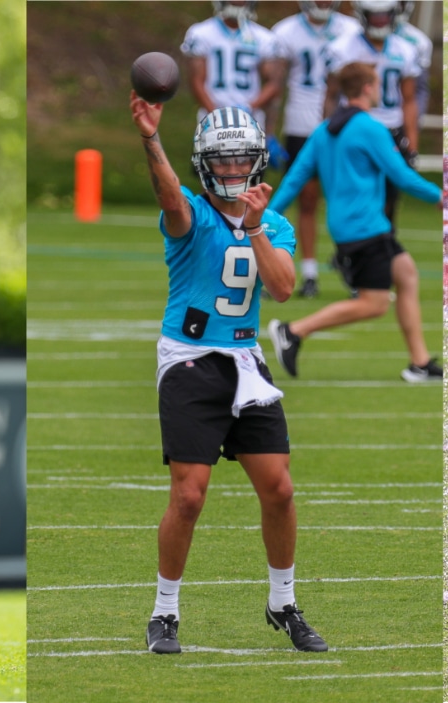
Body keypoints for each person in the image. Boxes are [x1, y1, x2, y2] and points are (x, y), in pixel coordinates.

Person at [128, 92, 328, 654]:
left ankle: (283, 603)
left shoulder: (276, 223)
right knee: (189, 495)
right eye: (223, 159)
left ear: (258, 161)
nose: (234, 169)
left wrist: (258, 228)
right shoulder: (189, 211)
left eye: (242, 158)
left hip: (245, 361)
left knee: (280, 489)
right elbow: (168, 195)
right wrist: (150, 138)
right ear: (204, 163)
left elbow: (284, 288)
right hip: (189, 359)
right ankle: (164, 612)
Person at [266, 62, 445, 383]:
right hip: (367, 229)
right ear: (366, 88)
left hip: (352, 227)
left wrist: (263, 216)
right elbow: (401, 175)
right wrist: (440, 196)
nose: (378, 90)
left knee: (406, 274)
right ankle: (292, 331)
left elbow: (293, 181)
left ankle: (419, 363)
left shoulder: (324, 130)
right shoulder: (370, 128)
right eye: (376, 84)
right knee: (374, 304)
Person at [270, 1, 361, 298]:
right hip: (300, 125)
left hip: (342, 127)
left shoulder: (352, 30)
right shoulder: (285, 32)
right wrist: (270, 132)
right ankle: (309, 274)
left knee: (346, 198)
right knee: (306, 199)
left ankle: (353, 269)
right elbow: (276, 86)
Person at [322, 0, 422, 237]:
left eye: (385, 15)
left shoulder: (405, 49)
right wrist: (329, 134)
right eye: (375, 16)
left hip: (391, 131)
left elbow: (409, 100)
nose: (380, 21)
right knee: (356, 196)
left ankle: (383, 251)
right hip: (354, 130)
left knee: (389, 202)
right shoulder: (343, 48)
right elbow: (330, 96)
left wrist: (412, 145)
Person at [181, 1, 287, 141]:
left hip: (250, 120)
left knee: (250, 162)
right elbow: (196, 80)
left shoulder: (264, 37)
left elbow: (274, 83)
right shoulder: (201, 33)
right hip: (211, 119)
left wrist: (249, 108)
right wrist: (217, 115)